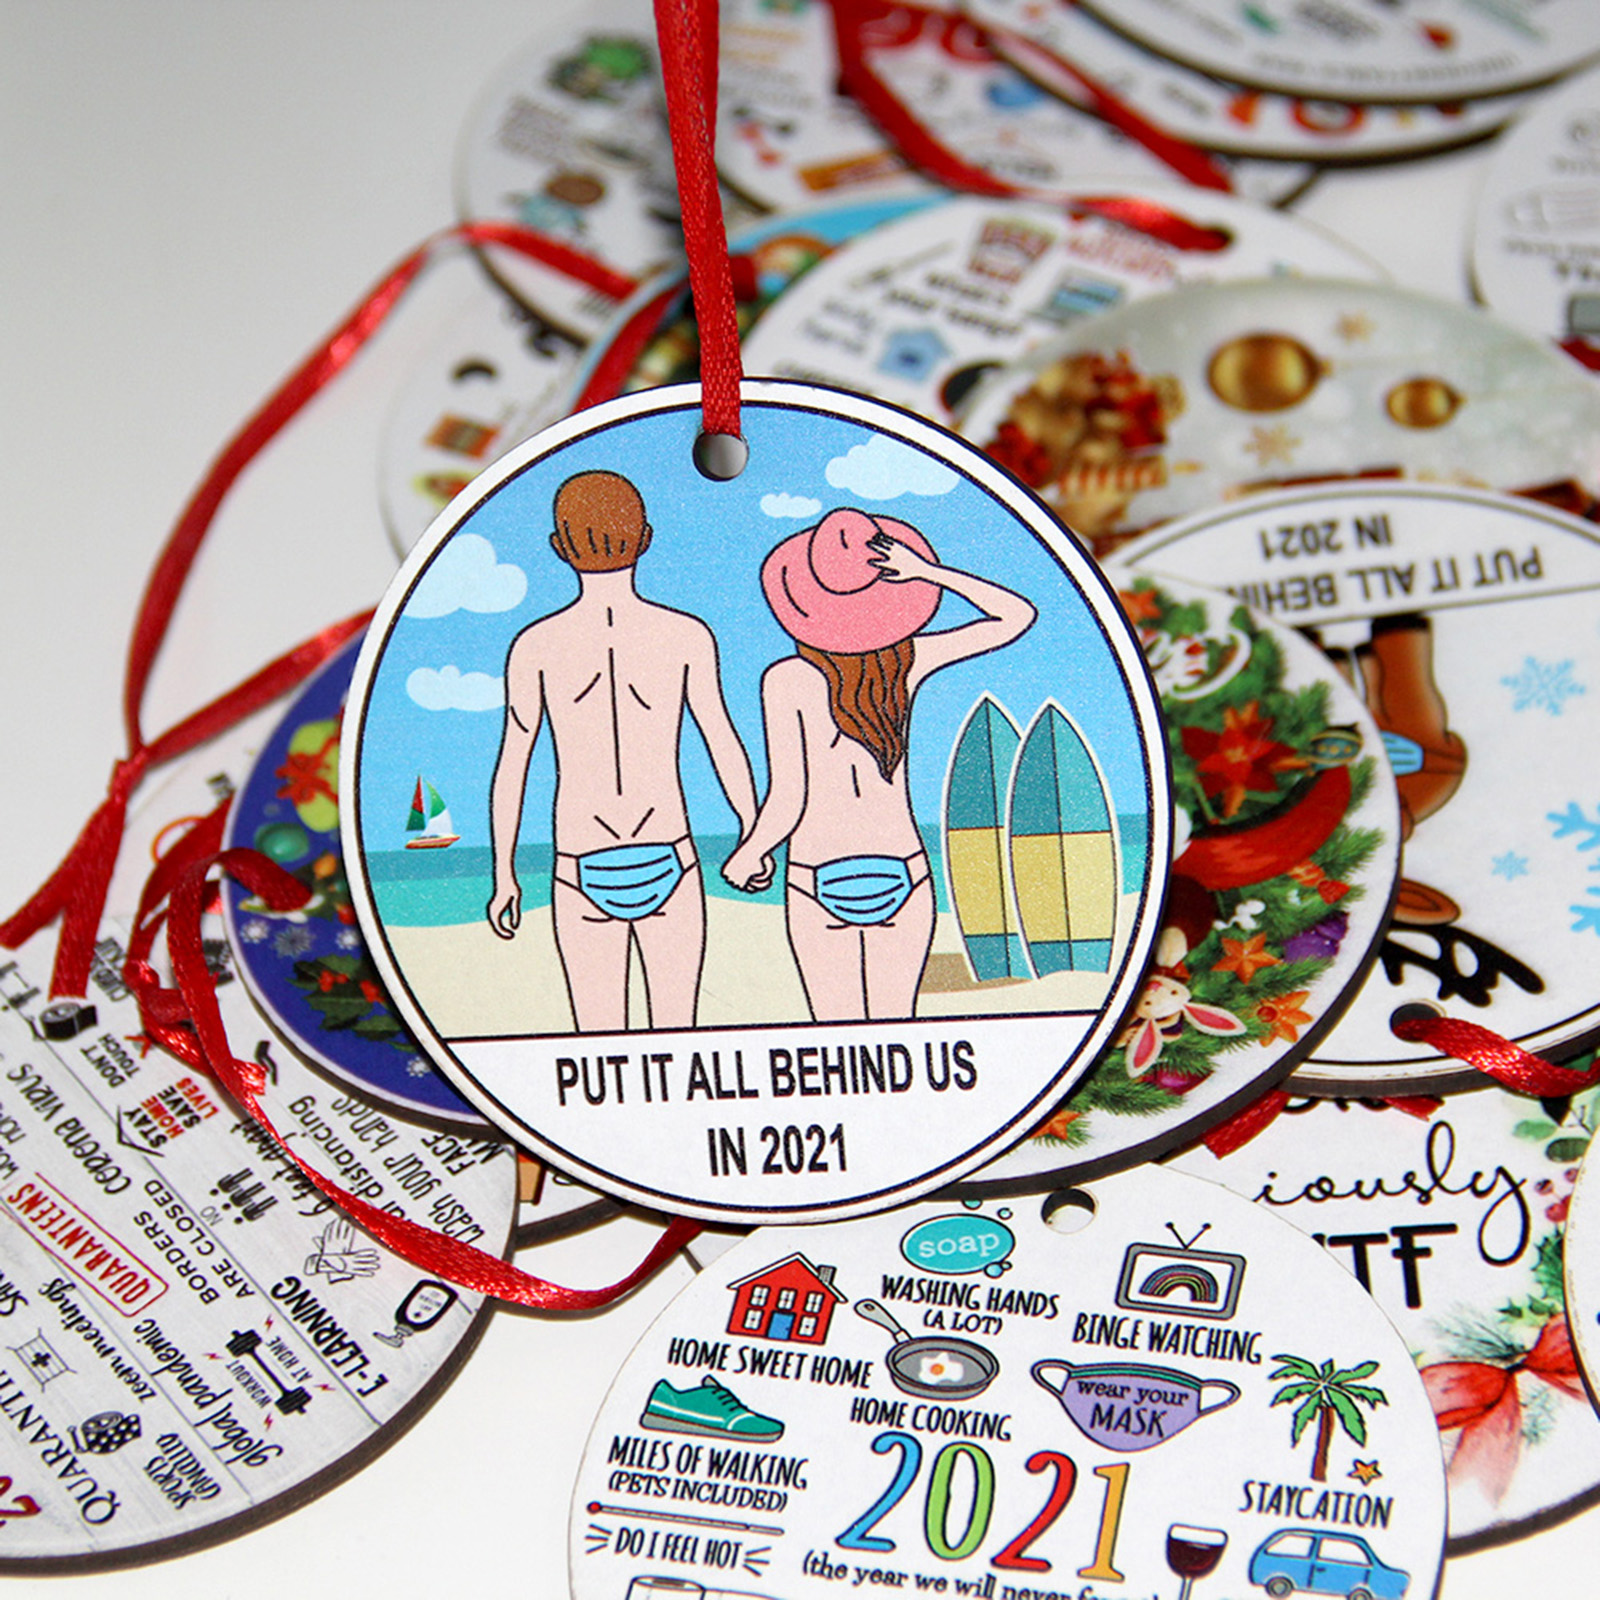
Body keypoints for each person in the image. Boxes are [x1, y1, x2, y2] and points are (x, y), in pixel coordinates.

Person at [723, 508, 1035, 1021]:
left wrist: (749, 854)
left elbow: (789, 798)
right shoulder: (907, 662)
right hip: (904, 870)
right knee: (898, 1026)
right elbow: (1015, 616)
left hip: (815, 876)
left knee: (835, 1032)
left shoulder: (788, 679)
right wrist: (928, 572)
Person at [487, 469, 758, 1031]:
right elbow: (721, 739)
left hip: (580, 858)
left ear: (558, 547)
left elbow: (513, 765)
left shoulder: (535, 646)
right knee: (679, 1035)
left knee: (597, 1040)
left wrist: (504, 873)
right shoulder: (686, 635)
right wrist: (751, 830)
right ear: (647, 538)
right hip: (671, 852)